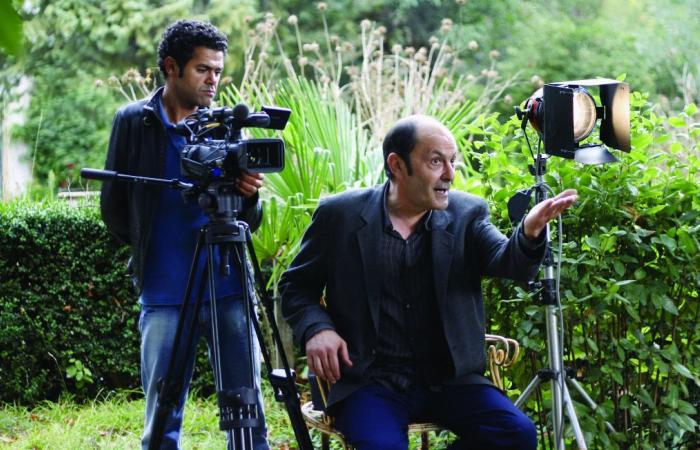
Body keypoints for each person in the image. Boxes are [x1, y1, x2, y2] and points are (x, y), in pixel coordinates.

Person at [280, 115, 578, 449]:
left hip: (449, 379)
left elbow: (507, 261)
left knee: (516, 434)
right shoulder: (342, 215)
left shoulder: (467, 213)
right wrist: (318, 329)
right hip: (369, 381)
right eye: (436, 161)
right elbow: (295, 287)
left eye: (452, 161)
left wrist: (529, 231)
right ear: (396, 164)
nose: (449, 175)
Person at [100, 20, 268, 450]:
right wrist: (150, 248)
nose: (214, 80)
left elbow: (252, 215)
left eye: (218, 71)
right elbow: (114, 209)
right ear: (171, 67)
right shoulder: (133, 122)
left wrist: (248, 196)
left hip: (227, 284)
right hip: (163, 290)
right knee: (161, 413)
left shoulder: (227, 124)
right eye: (202, 70)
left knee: (246, 408)